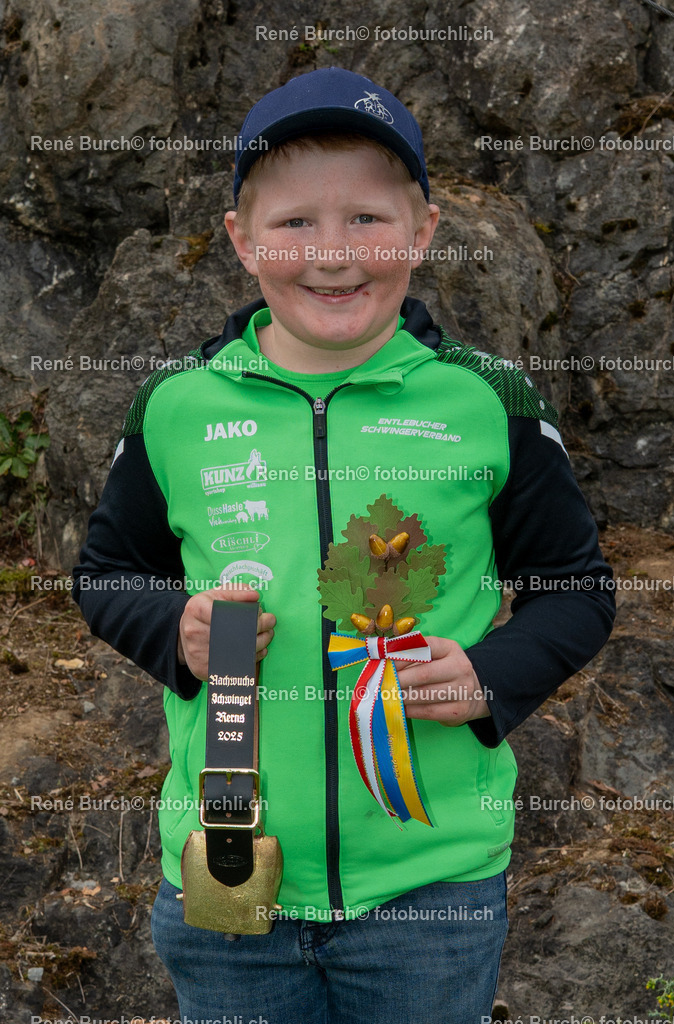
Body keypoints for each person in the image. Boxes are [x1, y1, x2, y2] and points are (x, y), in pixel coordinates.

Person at [73, 67, 616, 1024]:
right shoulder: (175, 408)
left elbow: (574, 587)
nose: (332, 251)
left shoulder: (488, 402)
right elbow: (107, 575)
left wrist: (493, 675)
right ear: (242, 243)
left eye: (367, 218)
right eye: (293, 224)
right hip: (227, 871)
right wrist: (175, 630)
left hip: (431, 888)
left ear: (423, 231)